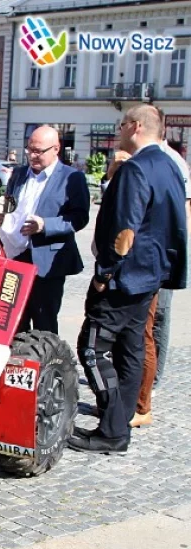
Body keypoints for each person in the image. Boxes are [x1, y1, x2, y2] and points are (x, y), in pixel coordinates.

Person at [71, 105, 187, 454]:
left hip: (125, 277)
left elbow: (125, 228)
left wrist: (105, 273)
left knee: (92, 348)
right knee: (130, 349)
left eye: (122, 125)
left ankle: (113, 429)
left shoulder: (137, 169)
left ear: (135, 126)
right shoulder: (170, 164)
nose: (119, 130)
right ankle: (117, 425)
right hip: (149, 276)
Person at [0, 126, 91, 333]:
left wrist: (46, 225)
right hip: (15, 255)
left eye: (39, 151)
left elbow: (79, 218)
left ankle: (43, 363)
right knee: (13, 320)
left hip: (47, 261)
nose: (32, 155)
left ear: (56, 149)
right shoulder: (19, 174)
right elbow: (8, 202)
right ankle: (15, 362)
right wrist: (0, 214)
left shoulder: (71, 178)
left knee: (43, 322)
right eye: (29, 149)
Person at [131, 112, 191, 428]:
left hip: (158, 257)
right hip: (156, 256)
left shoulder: (169, 162)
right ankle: (141, 390)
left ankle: (147, 390)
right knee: (148, 326)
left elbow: (182, 212)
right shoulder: (152, 160)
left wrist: (176, 255)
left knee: (154, 325)